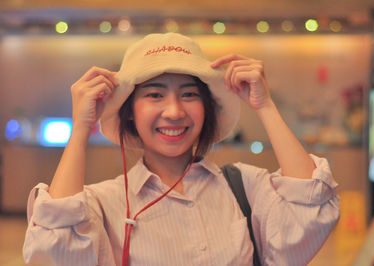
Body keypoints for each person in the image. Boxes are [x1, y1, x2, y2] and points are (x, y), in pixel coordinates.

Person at [23, 33, 340, 266]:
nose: (174, 111)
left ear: (207, 107)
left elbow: (311, 208)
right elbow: (55, 250)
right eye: (155, 95)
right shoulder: (102, 205)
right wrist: (81, 127)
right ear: (130, 109)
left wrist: (265, 106)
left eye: (189, 94)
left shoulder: (245, 187)